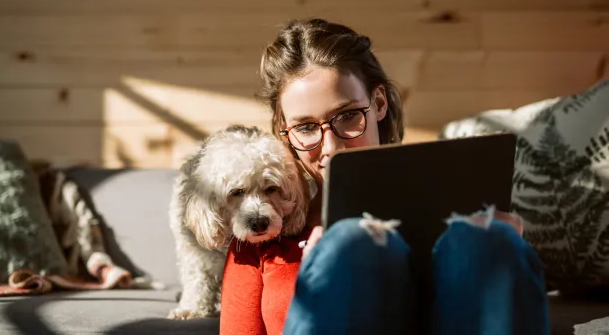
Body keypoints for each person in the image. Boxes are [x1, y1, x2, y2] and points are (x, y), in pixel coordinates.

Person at [219, 18, 550, 335]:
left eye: (348, 116)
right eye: (306, 127)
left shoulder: (459, 229)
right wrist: (323, 274)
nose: (332, 147)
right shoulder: (258, 236)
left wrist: (505, 247)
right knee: (353, 243)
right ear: (285, 133)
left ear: (378, 103)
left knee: (487, 239)